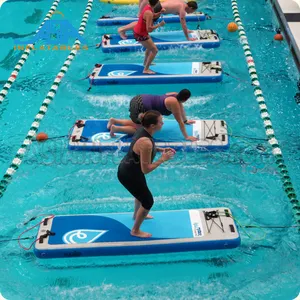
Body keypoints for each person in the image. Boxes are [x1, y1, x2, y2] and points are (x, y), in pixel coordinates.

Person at [117, 110, 175, 238]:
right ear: (153, 125)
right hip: (129, 174)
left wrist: (160, 149)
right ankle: (135, 230)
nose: (163, 123)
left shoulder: (143, 131)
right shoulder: (146, 142)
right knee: (148, 201)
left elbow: (141, 149)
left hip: (130, 169)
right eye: (161, 122)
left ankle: (136, 214)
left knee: (140, 194)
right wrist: (163, 158)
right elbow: (146, 169)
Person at [107, 89, 198, 141]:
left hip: (138, 98)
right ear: (186, 99)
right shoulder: (174, 103)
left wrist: (186, 120)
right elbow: (179, 122)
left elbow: (181, 107)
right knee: (140, 130)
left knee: (137, 123)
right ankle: (116, 128)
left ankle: (114, 120)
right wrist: (187, 136)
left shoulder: (174, 94)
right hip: (141, 106)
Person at [118, 0, 198, 42]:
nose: (191, 13)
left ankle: (123, 29)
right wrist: (188, 38)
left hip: (158, 6)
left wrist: (186, 30)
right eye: (193, 11)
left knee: (143, 23)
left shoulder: (182, 3)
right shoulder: (182, 10)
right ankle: (122, 29)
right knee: (143, 24)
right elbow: (183, 23)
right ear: (191, 8)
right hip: (157, 8)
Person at [132, 0, 165, 74]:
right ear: (157, 3)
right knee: (154, 50)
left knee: (149, 47)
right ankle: (146, 69)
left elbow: (152, 15)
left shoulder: (148, 6)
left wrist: (160, 13)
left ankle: (145, 63)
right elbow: (149, 29)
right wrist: (159, 25)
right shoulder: (149, 12)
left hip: (140, 31)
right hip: (140, 34)